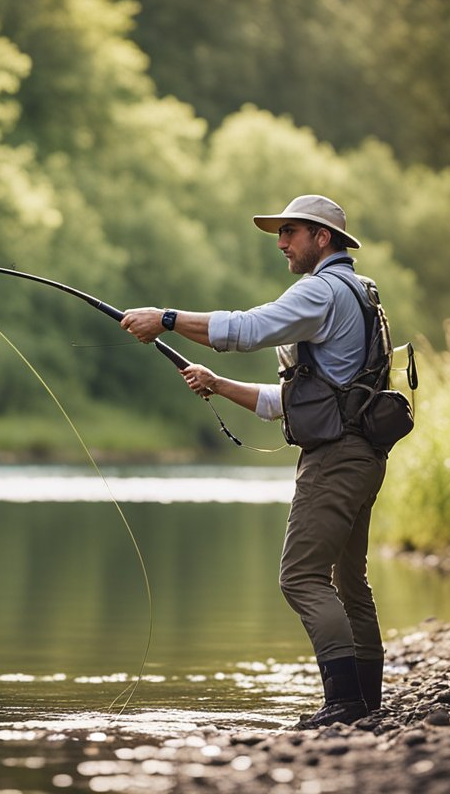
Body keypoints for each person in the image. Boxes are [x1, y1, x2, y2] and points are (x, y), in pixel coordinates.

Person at [120, 194, 387, 729]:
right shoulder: (360, 294)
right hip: (362, 454)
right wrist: (218, 386)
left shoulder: (321, 291)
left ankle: (345, 704)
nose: (281, 243)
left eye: (289, 232)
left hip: (335, 459)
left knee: (300, 578)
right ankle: (367, 703)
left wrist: (166, 318)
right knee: (349, 579)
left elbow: (243, 330)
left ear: (322, 238)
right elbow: (291, 401)